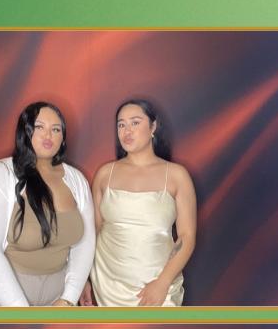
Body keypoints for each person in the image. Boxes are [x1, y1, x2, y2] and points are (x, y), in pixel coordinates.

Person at [0, 102, 95, 306]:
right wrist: (20, 310)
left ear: (63, 137)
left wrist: (68, 298)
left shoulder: (77, 181)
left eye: (56, 129)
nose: (48, 135)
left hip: (53, 299)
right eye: (39, 127)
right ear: (25, 131)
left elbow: (85, 242)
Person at [82, 99, 197, 306]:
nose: (127, 131)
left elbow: (186, 237)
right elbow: (93, 233)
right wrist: (85, 279)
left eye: (135, 123)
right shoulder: (105, 174)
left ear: (153, 127)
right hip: (108, 284)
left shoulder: (177, 176)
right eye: (121, 125)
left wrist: (163, 282)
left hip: (159, 283)